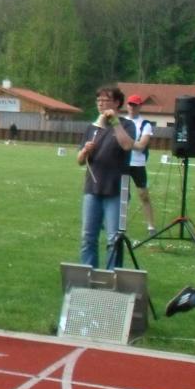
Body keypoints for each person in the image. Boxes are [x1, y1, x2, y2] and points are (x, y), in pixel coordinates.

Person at [76, 85, 135, 269]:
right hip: (92, 189)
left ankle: (111, 276)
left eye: (105, 100)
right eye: (98, 100)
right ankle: (88, 274)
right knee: (88, 237)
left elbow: (127, 145)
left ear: (117, 103)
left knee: (113, 238)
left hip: (116, 190)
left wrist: (115, 122)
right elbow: (79, 161)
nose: (101, 104)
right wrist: (85, 151)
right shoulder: (92, 127)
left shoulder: (127, 125)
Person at [125, 94, 156, 235]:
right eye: (130, 104)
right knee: (122, 196)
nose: (132, 107)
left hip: (138, 164)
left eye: (135, 105)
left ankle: (151, 226)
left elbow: (142, 145)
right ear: (127, 106)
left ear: (140, 106)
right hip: (123, 162)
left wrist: (125, 142)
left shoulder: (145, 124)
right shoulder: (121, 122)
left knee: (144, 195)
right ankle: (119, 225)